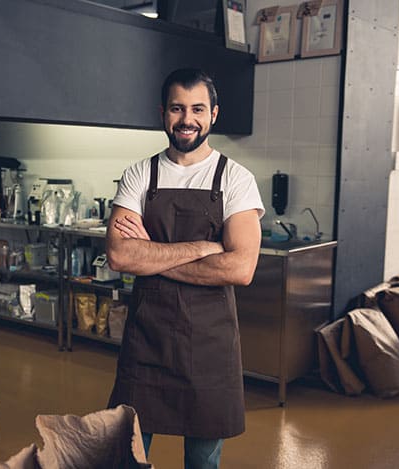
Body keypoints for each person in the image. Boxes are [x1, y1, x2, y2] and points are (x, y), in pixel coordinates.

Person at [106, 68, 264, 469]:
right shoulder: (140, 174)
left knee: (202, 461)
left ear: (213, 114)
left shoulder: (236, 179)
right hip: (147, 338)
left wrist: (152, 256)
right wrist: (202, 249)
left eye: (197, 108)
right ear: (163, 113)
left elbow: (241, 268)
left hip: (209, 344)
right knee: (129, 453)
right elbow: (121, 257)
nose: (187, 119)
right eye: (177, 108)